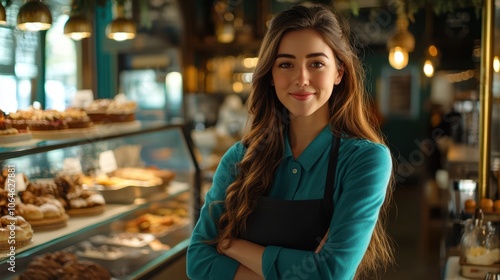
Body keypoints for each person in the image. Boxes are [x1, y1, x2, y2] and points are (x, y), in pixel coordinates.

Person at [186, 4, 395, 280]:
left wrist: (230, 245)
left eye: (316, 63)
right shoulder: (240, 157)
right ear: (271, 75)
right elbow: (197, 261)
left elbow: (330, 272)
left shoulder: (366, 160)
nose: (301, 79)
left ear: (339, 73)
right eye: (286, 64)